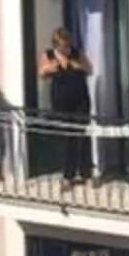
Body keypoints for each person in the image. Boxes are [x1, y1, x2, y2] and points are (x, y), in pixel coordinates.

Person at [39, 25, 93, 182]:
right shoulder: (48, 55)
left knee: (82, 134)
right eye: (63, 46)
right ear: (56, 45)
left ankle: (85, 172)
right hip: (61, 101)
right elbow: (41, 73)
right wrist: (51, 68)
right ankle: (68, 174)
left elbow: (89, 69)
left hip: (80, 99)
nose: (66, 49)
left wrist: (78, 66)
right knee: (66, 136)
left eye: (68, 45)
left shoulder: (77, 53)